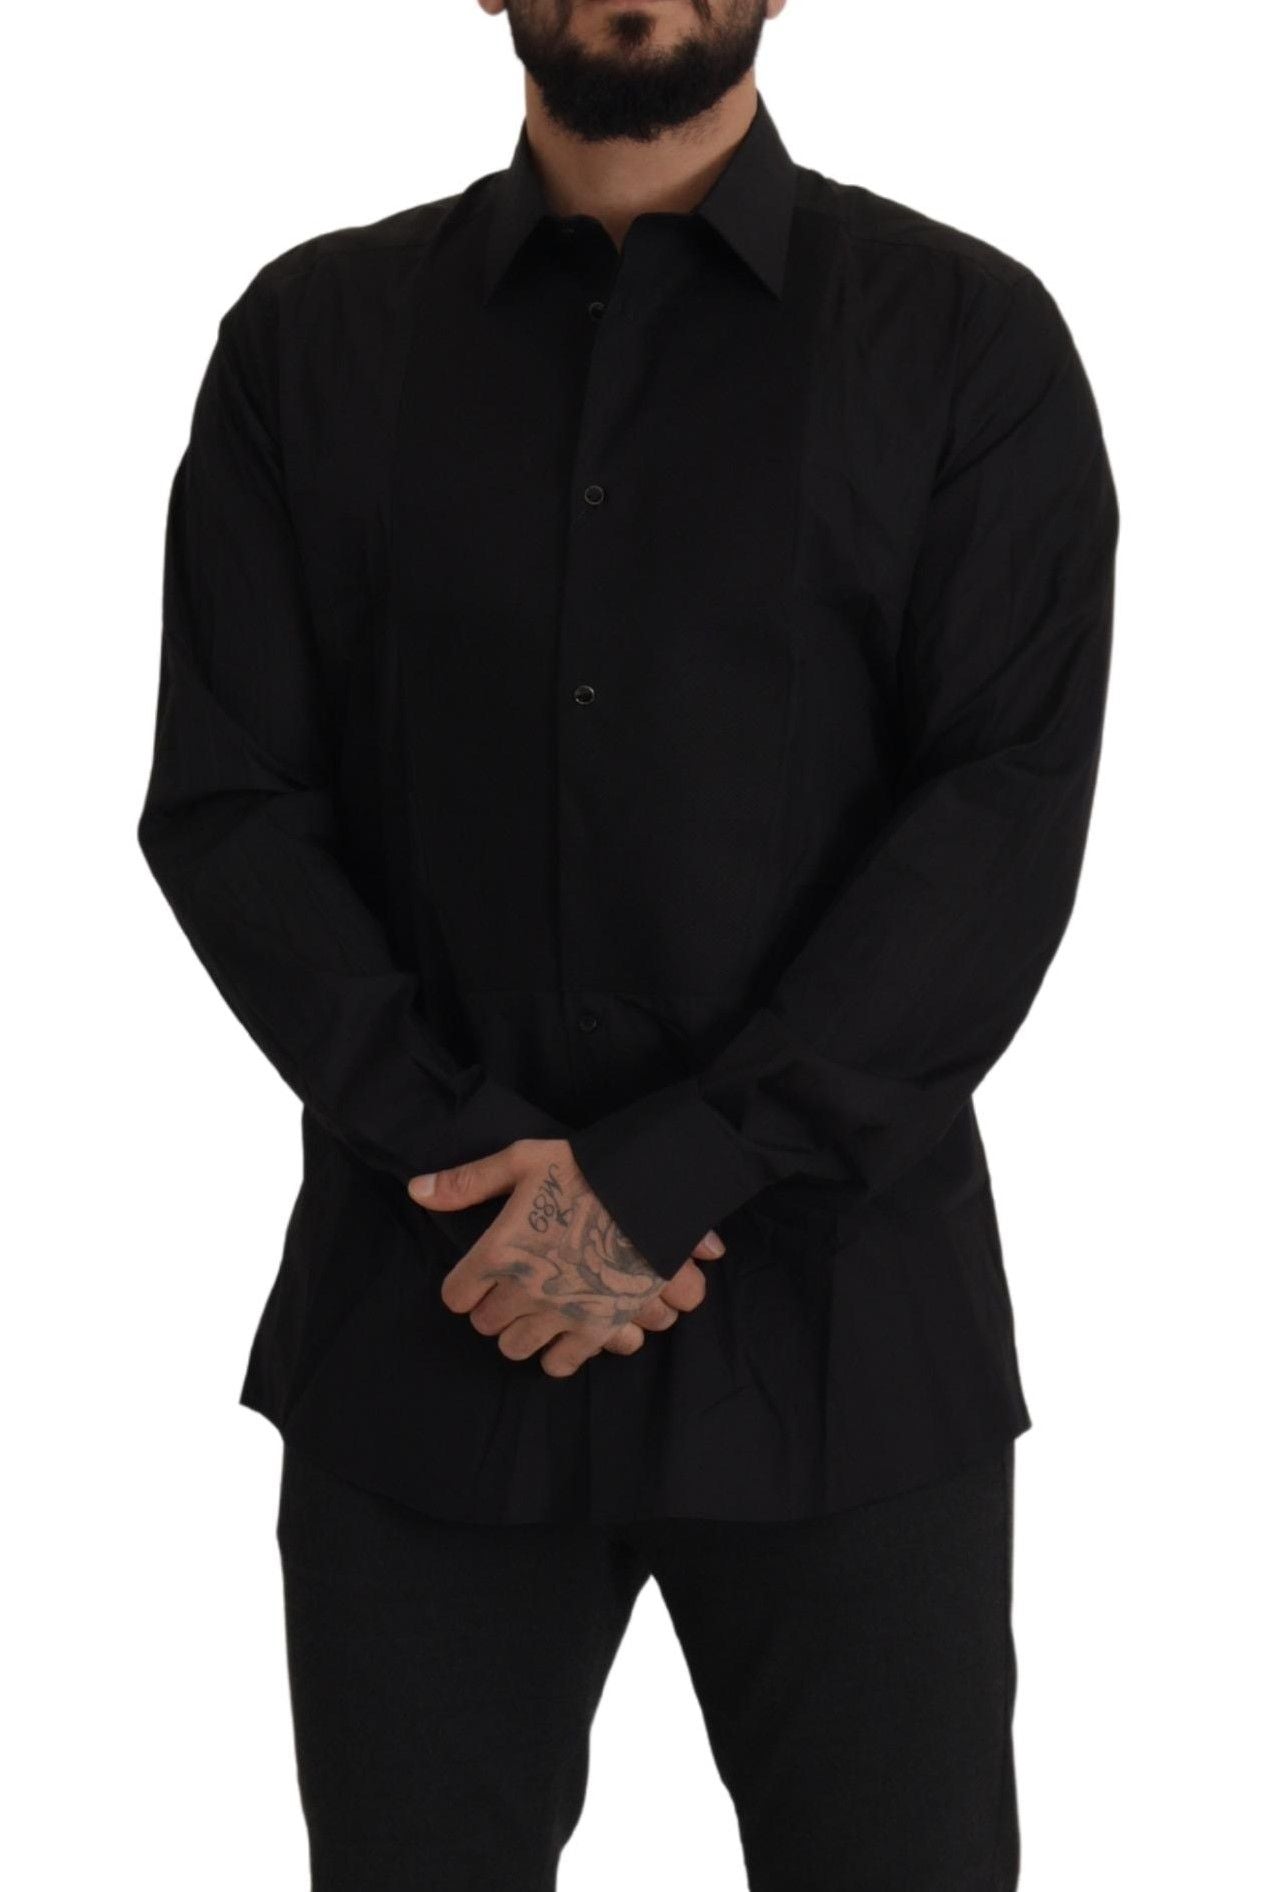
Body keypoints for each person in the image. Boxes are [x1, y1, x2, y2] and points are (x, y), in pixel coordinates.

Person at [136, 2, 1119, 1886]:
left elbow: (1000, 819)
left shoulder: (968, 340)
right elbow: (230, 804)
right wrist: (464, 1155)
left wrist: (672, 1174)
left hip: (842, 1340)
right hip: (431, 1324)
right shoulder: (309, 341)